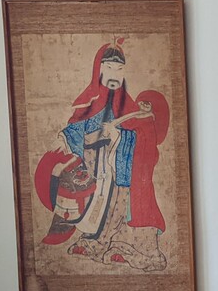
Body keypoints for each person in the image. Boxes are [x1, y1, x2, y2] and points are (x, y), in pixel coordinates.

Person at [32, 39, 170, 271]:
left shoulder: (129, 105)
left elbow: (142, 136)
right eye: (108, 68)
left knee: (121, 205)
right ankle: (95, 240)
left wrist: (118, 136)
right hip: (97, 166)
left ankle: (124, 246)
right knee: (98, 203)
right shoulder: (92, 102)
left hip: (120, 169)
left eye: (119, 69)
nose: (114, 74)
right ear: (98, 70)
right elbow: (80, 126)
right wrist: (65, 137)